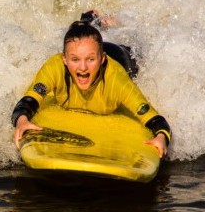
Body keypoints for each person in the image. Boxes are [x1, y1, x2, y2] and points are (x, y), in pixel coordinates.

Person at [11, 13, 171, 157]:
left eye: (91, 60)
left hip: (121, 55)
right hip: (90, 47)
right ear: (64, 60)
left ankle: (111, 24)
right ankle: (88, 19)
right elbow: (28, 101)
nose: (82, 68)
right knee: (79, 37)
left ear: (101, 59)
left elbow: (155, 119)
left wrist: (161, 137)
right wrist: (22, 121)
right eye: (74, 60)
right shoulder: (55, 67)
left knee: (137, 49)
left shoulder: (117, 80)